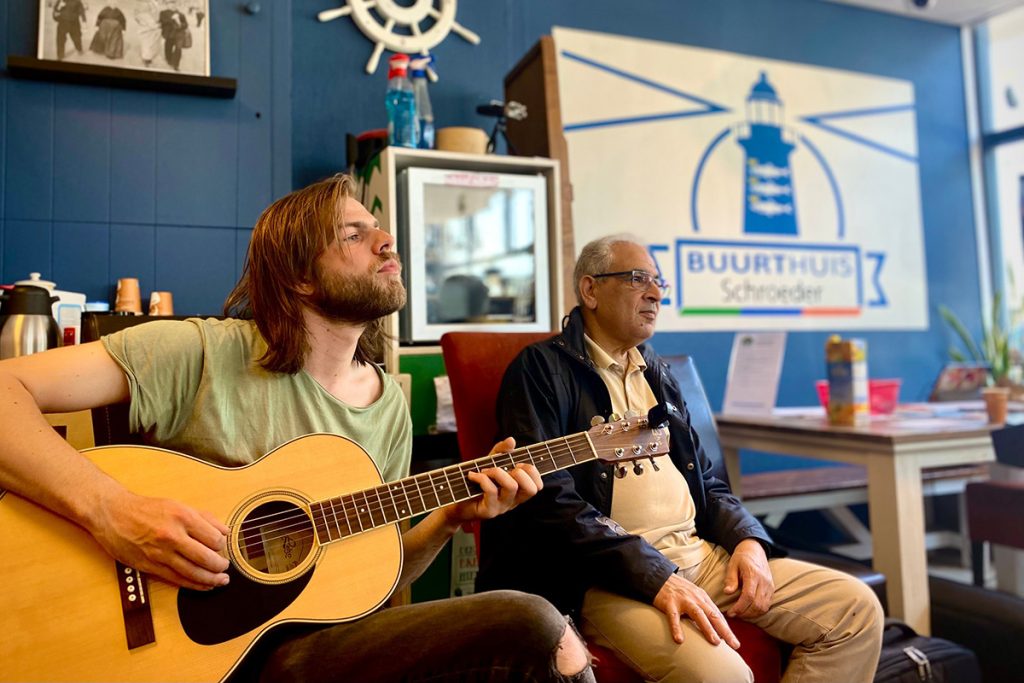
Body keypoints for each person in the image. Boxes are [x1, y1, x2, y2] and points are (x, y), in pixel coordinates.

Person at [0, 175, 595, 683]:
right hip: (175, 653)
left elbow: (368, 583)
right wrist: (114, 511)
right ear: (301, 279)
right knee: (537, 621)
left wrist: (446, 521)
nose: (387, 240)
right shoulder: (201, 351)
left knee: (545, 633)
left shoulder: (387, 407)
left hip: (295, 655)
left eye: (378, 229)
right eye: (353, 235)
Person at [477, 234, 884, 683]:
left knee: (856, 610)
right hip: (608, 578)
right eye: (638, 279)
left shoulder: (659, 373)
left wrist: (749, 541)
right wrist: (654, 576)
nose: (655, 293)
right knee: (723, 676)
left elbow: (707, 480)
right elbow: (548, 501)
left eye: (659, 282)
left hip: (703, 556)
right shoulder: (540, 369)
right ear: (590, 290)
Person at [159, 0, 190, 71]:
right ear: (167, 5)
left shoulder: (180, 14)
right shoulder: (163, 13)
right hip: (169, 35)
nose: (172, 5)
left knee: (178, 49)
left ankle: (176, 65)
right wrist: (172, 19)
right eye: (169, 4)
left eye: (173, 4)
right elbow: (162, 21)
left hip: (178, 35)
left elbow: (186, 24)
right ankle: (168, 59)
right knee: (168, 48)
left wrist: (180, 24)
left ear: (176, 4)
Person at [134, 0, 163, 67]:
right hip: (146, 28)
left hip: (153, 27)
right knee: (146, 44)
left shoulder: (156, 4)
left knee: (152, 44)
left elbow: (157, 15)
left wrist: (157, 23)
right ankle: (146, 59)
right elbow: (139, 15)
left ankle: (148, 58)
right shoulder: (145, 4)